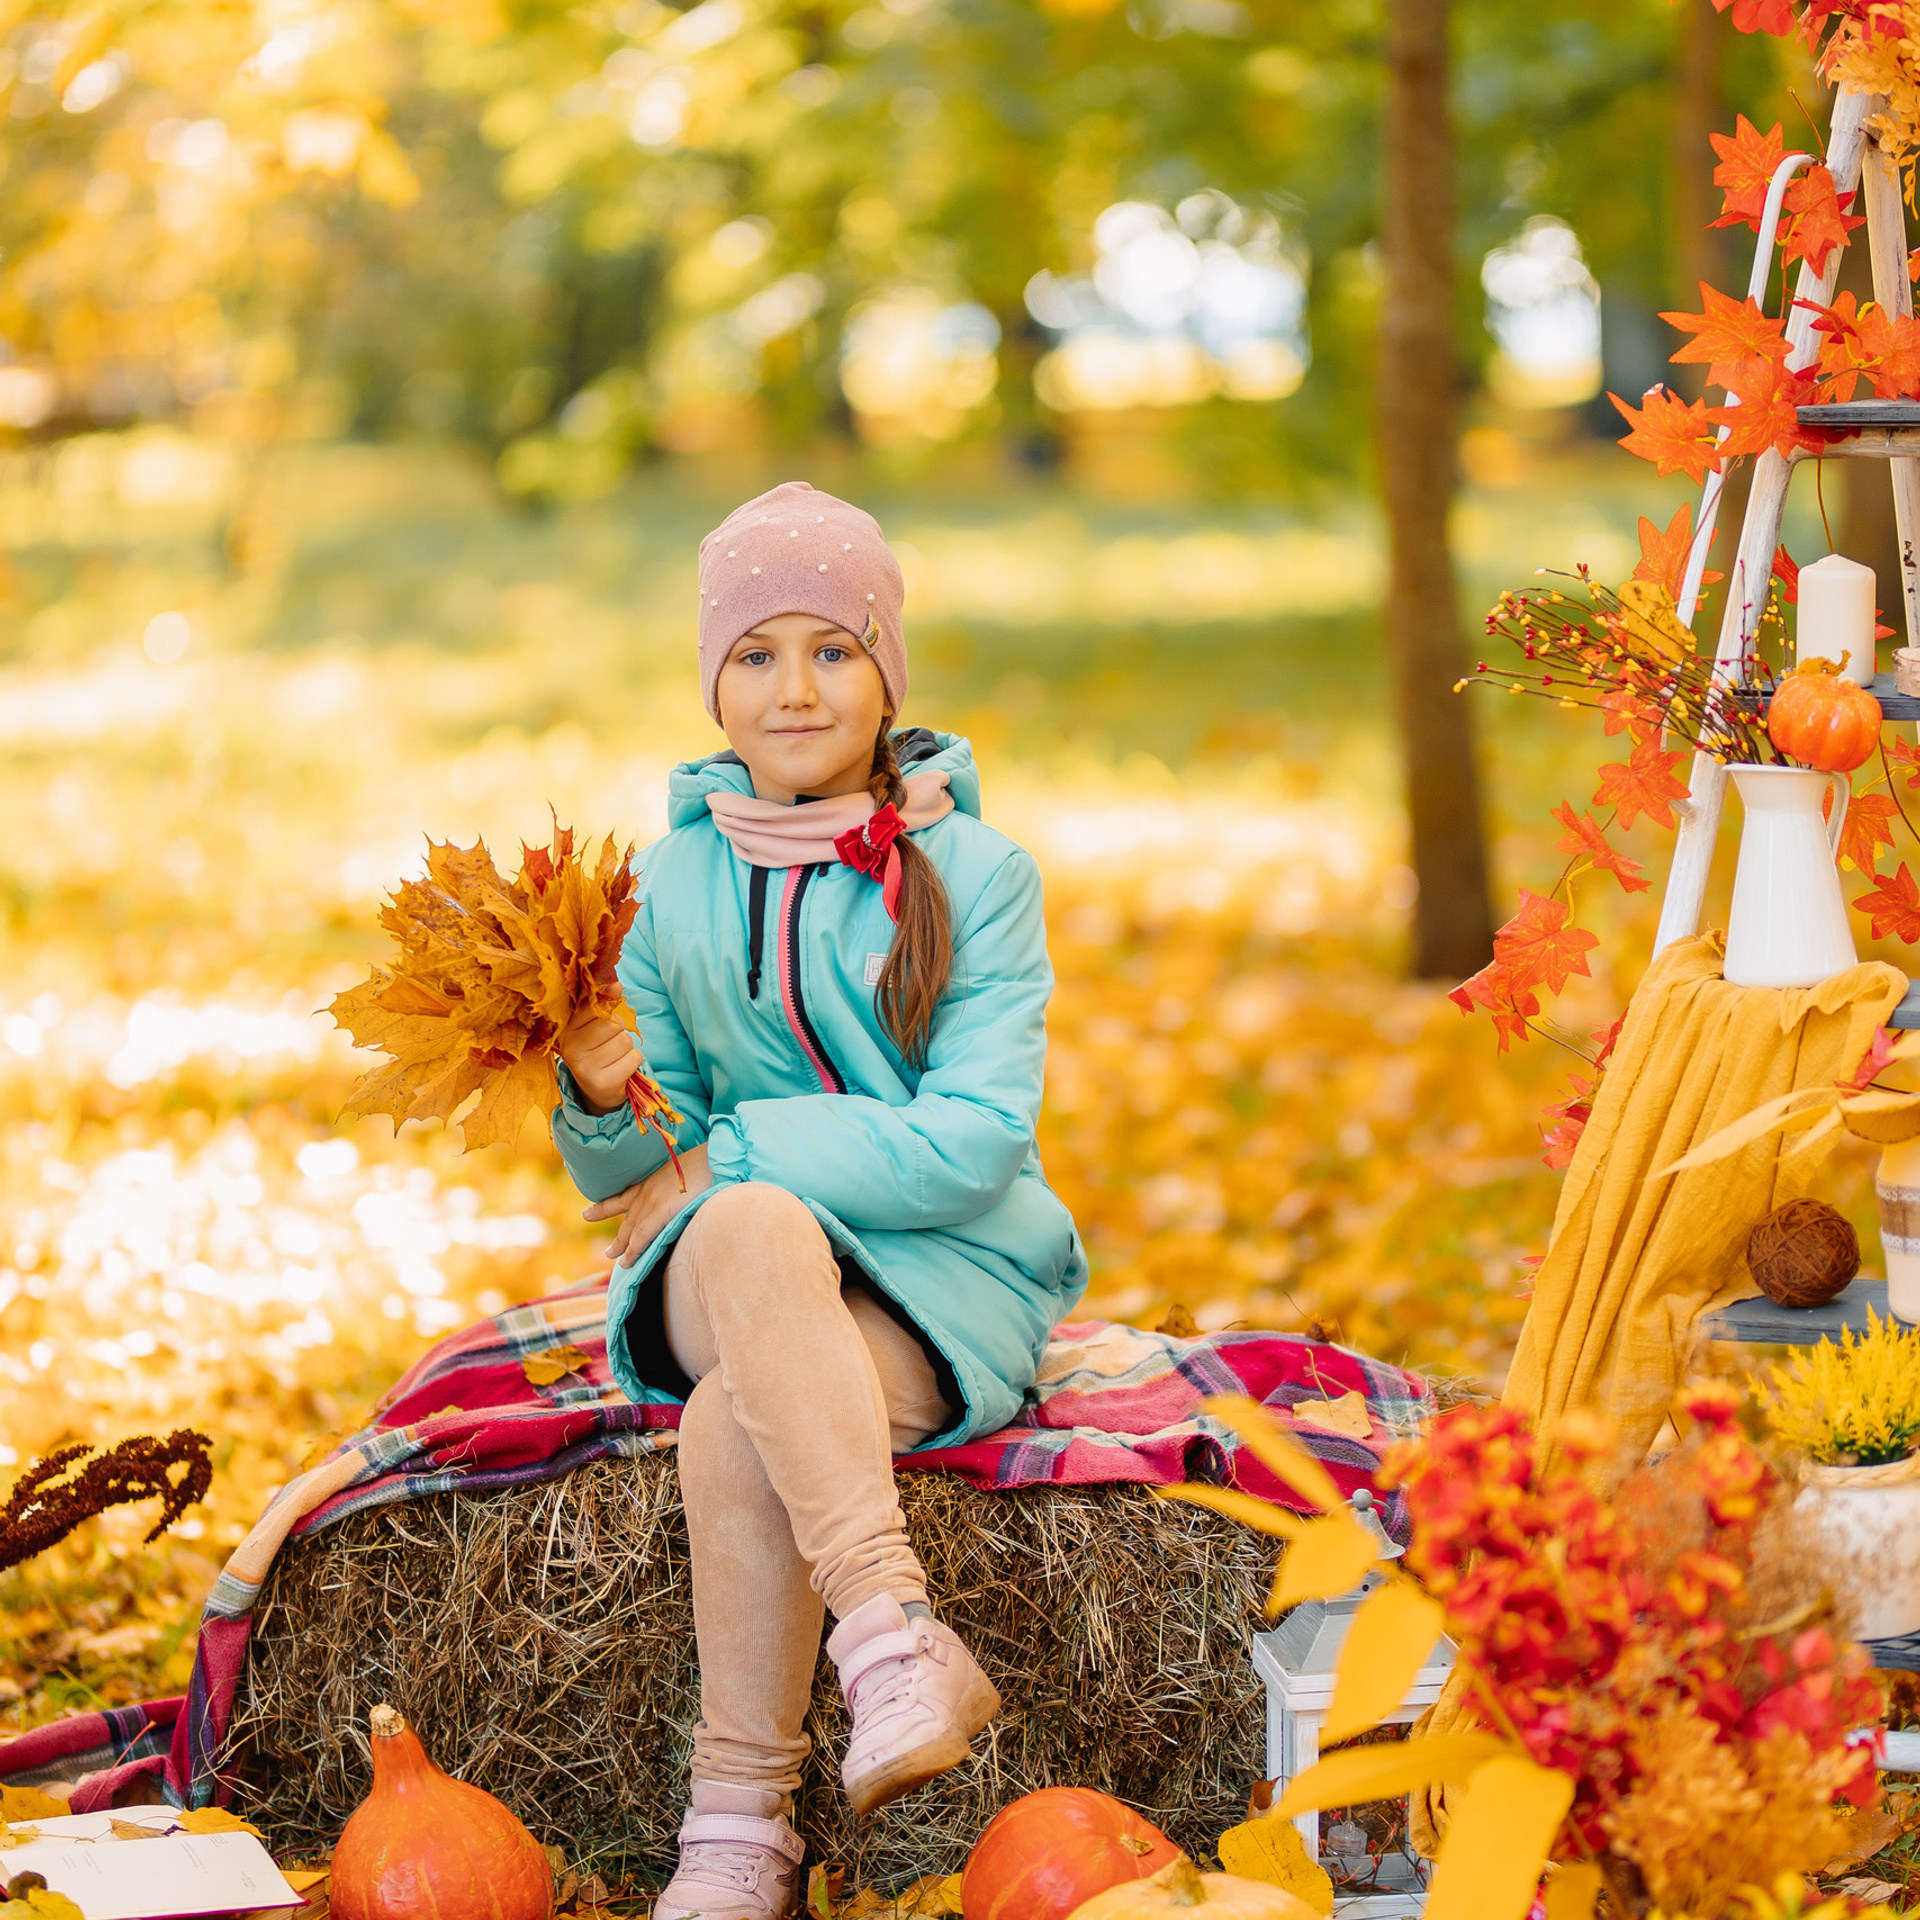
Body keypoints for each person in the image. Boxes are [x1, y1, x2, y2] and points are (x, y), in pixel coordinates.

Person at [551, 481, 1087, 1920]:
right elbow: (633, 1177)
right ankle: (891, 1621)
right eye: (757, 653)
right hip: (719, 1270)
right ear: (714, 682)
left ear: (886, 670)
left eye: (833, 649)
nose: (795, 688)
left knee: (742, 1409)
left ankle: (735, 1827)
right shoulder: (659, 890)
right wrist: (607, 1103)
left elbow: (974, 1143)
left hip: (937, 1272)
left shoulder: (976, 877)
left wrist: (727, 1155)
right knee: (742, 1228)